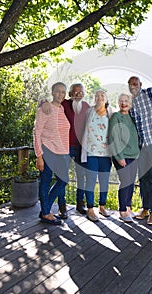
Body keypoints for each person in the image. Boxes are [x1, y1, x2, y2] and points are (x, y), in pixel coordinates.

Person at [41, 83, 90, 217]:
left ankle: (80, 203)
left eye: (81, 92)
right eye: (75, 92)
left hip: (81, 148)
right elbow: (51, 103)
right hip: (64, 147)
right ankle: (62, 207)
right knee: (62, 178)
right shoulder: (64, 104)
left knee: (82, 176)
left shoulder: (86, 106)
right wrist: (43, 102)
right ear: (70, 94)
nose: (78, 95)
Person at [33, 82, 70, 225]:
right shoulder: (45, 109)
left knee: (63, 180)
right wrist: (39, 156)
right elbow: (37, 132)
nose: (60, 94)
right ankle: (46, 213)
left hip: (62, 153)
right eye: (58, 91)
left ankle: (45, 209)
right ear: (52, 92)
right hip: (48, 150)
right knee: (46, 181)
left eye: (63, 92)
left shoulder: (61, 109)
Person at [128, 76, 152, 225]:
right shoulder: (129, 103)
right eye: (130, 85)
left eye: (135, 84)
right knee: (143, 179)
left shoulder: (149, 93)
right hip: (142, 147)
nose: (133, 87)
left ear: (140, 85)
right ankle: (145, 209)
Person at [81, 90, 112, 222]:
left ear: (106, 99)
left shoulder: (111, 112)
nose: (99, 98)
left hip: (106, 154)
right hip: (91, 152)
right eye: (97, 96)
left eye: (102, 96)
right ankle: (90, 209)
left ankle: (102, 206)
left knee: (104, 181)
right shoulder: (89, 111)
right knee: (91, 180)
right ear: (94, 99)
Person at [108, 93, 140, 222]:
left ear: (130, 103)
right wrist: (119, 157)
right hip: (122, 156)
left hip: (134, 155)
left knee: (131, 183)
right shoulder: (116, 117)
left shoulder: (132, 117)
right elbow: (113, 138)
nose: (124, 103)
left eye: (126, 101)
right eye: (121, 101)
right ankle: (122, 211)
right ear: (118, 103)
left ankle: (127, 207)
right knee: (125, 181)